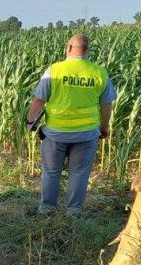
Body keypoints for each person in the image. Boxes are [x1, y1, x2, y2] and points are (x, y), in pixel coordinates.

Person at [26, 34, 116, 216]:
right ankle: (74, 213)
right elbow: (107, 105)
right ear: (87, 50)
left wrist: (30, 122)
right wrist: (104, 127)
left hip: (56, 133)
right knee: (79, 174)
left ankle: (46, 210)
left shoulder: (55, 70)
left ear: (68, 48)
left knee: (51, 172)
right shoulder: (99, 72)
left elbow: (39, 100)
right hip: (87, 134)